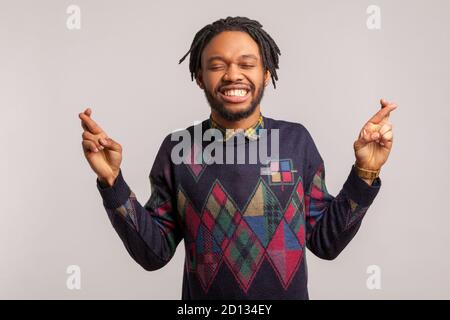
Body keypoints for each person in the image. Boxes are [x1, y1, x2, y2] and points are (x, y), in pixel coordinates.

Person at [79, 16, 397, 299]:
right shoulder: (178, 149)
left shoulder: (294, 141)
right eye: (217, 65)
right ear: (200, 76)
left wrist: (365, 172)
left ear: (266, 72)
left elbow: (326, 243)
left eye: (246, 64)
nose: (233, 75)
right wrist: (112, 181)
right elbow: (154, 253)